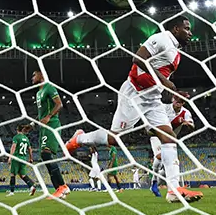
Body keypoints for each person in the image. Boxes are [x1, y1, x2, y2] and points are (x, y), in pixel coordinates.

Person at [66, 17, 203, 203]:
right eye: (187, 28)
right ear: (176, 28)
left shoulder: (176, 52)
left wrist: (173, 90)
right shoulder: (162, 38)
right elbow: (138, 58)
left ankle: (173, 189)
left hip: (153, 100)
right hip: (133, 93)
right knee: (114, 139)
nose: (190, 32)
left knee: (169, 137)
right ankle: (79, 138)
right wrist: (164, 82)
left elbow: (160, 74)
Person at [32, 69, 70, 198]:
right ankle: (60, 190)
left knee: (46, 154)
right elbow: (40, 115)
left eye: (34, 74)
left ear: (42, 75)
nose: (32, 77)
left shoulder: (49, 87)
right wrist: (32, 125)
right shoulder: (38, 93)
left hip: (52, 124)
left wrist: (49, 116)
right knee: (44, 156)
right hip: (43, 127)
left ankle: (62, 186)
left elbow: (59, 104)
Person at [148, 91, 195, 196]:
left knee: (168, 164)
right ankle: (159, 184)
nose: (179, 103)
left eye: (181, 101)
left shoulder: (185, 113)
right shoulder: (164, 108)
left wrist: (187, 124)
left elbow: (192, 126)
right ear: (173, 100)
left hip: (171, 140)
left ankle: (156, 183)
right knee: (160, 157)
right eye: (177, 100)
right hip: (157, 136)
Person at [7, 123, 37, 196]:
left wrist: (10, 157)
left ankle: (11, 192)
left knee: (12, 174)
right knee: (23, 175)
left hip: (16, 157)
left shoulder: (16, 137)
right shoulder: (26, 138)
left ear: (17, 130)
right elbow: (30, 149)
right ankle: (31, 186)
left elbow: (13, 147)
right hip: (23, 158)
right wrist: (31, 158)